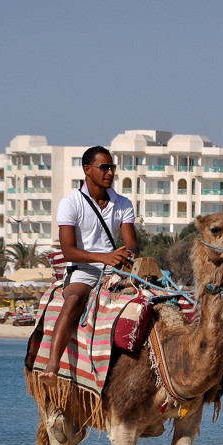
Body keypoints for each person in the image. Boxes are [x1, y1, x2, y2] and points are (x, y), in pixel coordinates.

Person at [40, 146, 138, 381]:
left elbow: (132, 245)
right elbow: (68, 251)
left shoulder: (123, 203)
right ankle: (52, 366)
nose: (110, 173)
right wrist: (103, 257)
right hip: (83, 269)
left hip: (114, 269)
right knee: (73, 300)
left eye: (112, 168)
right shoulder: (70, 203)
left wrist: (125, 256)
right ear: (87, 170)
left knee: (152, 305)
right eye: (104, 168)